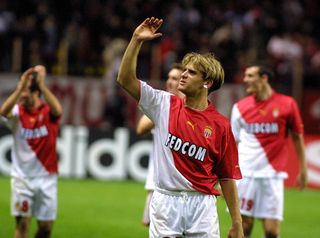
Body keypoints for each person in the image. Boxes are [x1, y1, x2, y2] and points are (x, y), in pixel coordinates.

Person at [117, 17, 243, 238]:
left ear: (208, 82)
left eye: (191, 72)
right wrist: (136, 40)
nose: (183, 75)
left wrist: (236, 222)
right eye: (184, 70)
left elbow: (227, 177)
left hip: (202, 206)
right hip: (166, 202)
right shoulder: (164, 104)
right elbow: (125, 79)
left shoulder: (221, 125)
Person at [230, 64, 308, 238]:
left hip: (272, 175)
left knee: (272, 231)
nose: (245, 80)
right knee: (244, 227)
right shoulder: (240, 108)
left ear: (264, 78)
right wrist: (227, 175)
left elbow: (297, 136)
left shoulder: (287, 104)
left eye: (250, 75)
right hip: (246, 173)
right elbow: (232, 144)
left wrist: (303, 169)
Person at [0, 65, 62, 238]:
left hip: (47, 178)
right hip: (22, 179)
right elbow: (3, 112)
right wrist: (19, 87)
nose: (22, 95)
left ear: (36, 93)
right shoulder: (17, 112)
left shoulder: (47, 111)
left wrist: (42, 85)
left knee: (46, 228)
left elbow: (58, 109)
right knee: (23, 225)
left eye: (26, 91)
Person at [136, 63, 185, 226]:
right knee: (153, 225)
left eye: (175, 78)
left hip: (184, 184)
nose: (170, 82)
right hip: (158, 181)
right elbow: (141, 128)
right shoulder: (163, 105)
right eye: (169, 78)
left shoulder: (192, 110)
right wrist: (164, 109)